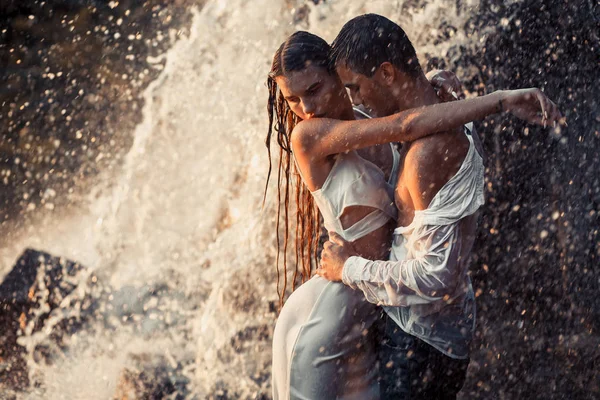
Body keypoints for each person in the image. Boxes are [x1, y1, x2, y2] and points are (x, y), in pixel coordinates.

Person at [266, 30, 562, 400]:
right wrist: (501, 100)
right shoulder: (310, 135)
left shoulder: (367, 117)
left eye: (314, 89)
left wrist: (435, 79)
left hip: (380, 305)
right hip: (333, 309)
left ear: (338, 77)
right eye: (292, 99)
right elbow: (407, 124)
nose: (306, 108)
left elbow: (405, 104)